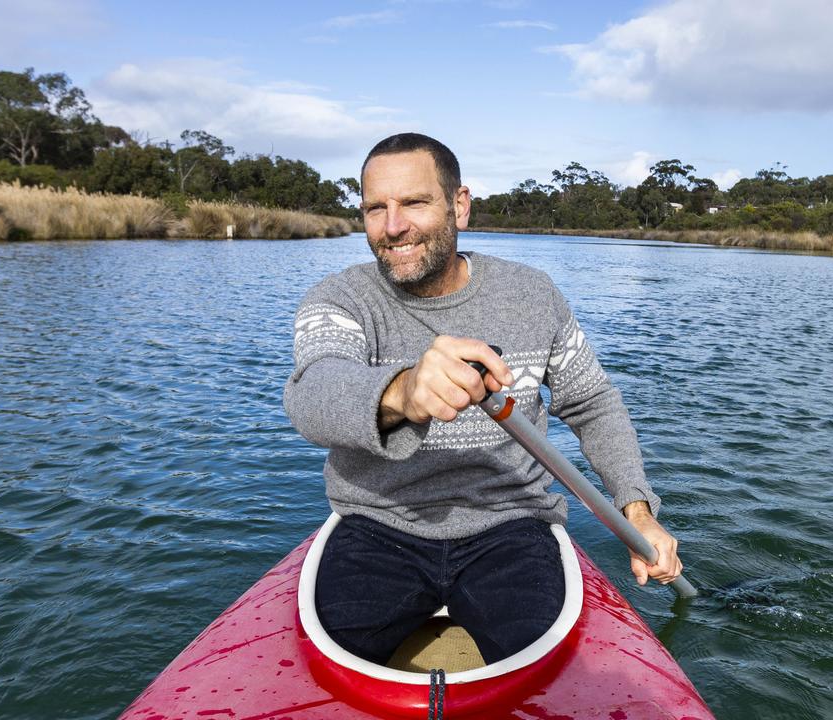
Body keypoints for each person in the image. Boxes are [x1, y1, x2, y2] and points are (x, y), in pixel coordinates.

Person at [282, 132, 681, 666]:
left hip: (510, 525)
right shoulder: (340, 300)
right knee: (327, 671)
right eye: (376, 208)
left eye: (415, 202)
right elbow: (315, 392)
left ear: (459, 206)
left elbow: (591, 402)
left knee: (546, 672)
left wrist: (637, 508)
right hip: (379, 526)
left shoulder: (532, 294)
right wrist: (403, 391)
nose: (393, 225)